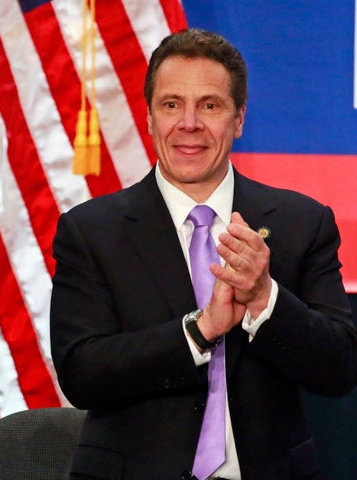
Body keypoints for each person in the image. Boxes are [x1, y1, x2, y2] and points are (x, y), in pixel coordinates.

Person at [50, 28, 357, 479]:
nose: (188, 124)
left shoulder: (300, 222)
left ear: (238, 119)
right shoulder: (91, 230)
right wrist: (200, 330)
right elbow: (82, 373)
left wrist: (264, 299)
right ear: (150, 117)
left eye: (209, 106)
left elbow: (339, 368)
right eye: (171, 104)